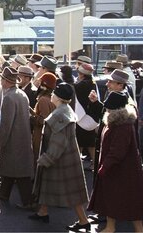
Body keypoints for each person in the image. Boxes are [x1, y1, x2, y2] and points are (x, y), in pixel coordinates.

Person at [29, 83, 91, 232]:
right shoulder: (65, 110)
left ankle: (83, 221)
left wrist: (46, 159)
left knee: (71, 192)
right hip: (65, 157)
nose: (51, 95)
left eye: (54, 94)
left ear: (57, 97)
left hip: (61, 160)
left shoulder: (59, 114)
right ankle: (43, 212)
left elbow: (58, 142)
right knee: (49, 185)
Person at [87, 90, 143, 233]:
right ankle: (111, 227)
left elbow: (118, 151)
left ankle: (137, 229)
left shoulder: (122, 125)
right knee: (114, 200)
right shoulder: (118, 121)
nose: (106, 108)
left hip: (122, 171)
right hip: (118, 170)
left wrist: (105, 166)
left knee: (130, 203)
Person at [0, 67, 36, 209]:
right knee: (10, 170)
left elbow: (6, 124)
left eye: (1, 79)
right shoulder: (21, 94)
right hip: (23, 138)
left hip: (13, 141)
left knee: (19, 172)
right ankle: (4, 194)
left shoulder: (9, 98)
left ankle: (28, 202)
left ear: (5, 81)